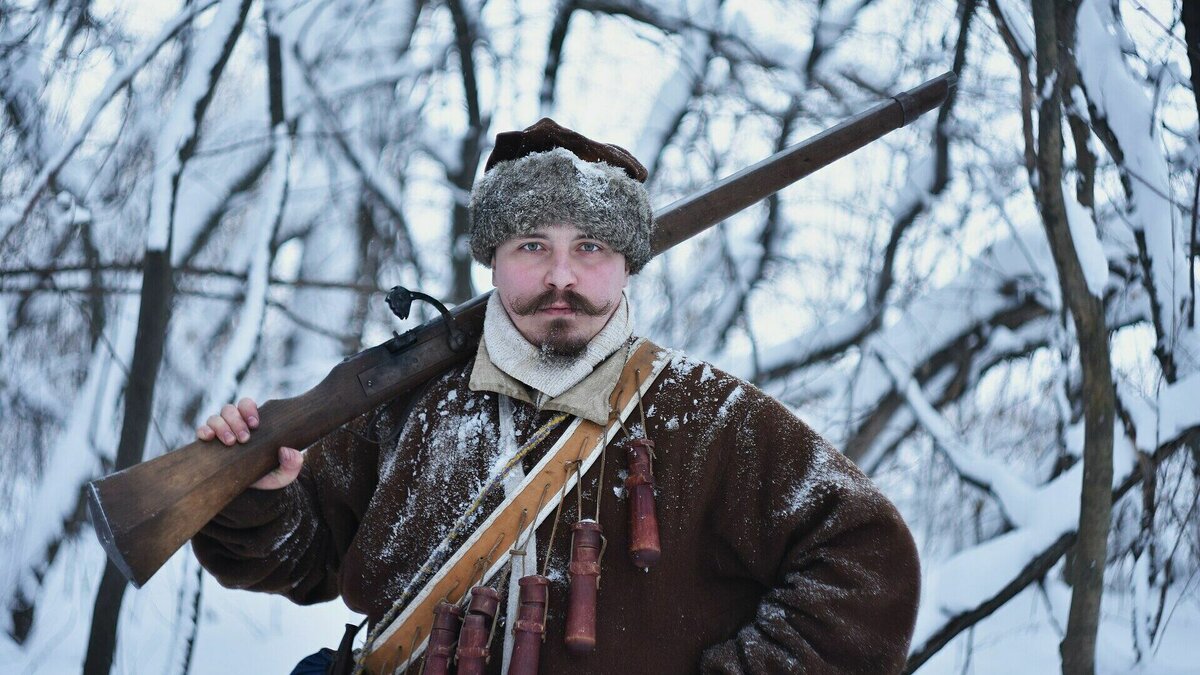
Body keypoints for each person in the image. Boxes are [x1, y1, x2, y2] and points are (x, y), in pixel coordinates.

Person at [193, 119, 920, 674]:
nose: (562, 275)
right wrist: (257, 493)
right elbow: (302, 556)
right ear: (495, 259)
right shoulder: (406, 403)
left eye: (592, 247)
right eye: (532, 245)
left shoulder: (709, 416)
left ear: (628, 262)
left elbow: (867, 562)